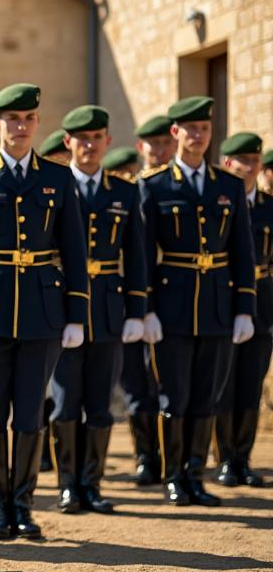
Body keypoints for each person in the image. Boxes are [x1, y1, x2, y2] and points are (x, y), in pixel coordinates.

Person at [0, 83, 88, 541]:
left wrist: (76, 313)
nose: (20, 127)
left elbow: (74, 252)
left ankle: (23, 504)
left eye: (28, 119)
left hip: (42, 309)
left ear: (37, 123)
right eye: (11, 119)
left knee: (31, 413)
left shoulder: (58, 179)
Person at [139, 96, 255, 507]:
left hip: (218, 308)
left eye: (205, 129)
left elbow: (243, 250)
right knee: (175, 397)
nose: (199, 137)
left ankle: (195, 474)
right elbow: (143, 253)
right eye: (191, 130)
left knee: (207, 397)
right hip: (171, 308)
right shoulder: (153, 185)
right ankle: (173, 476)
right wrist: (146, 307)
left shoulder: (227, 185)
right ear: (176, 134)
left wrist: (245, 306)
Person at [47, 106, 147, 515]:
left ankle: (92, 482)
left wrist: (137, 311)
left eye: (97, 138)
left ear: (107, 141)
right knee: (65, 401)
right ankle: (68, 483)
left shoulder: (123, 192)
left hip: (107, 306)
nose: (89, 145)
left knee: (100, 404)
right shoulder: (52, 185)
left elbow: (136, 255)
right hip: (62, 305)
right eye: (80, 138)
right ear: (67, 142)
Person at [120, 114, 175, 485]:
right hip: (128, 299)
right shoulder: (134, 188)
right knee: (136, 384)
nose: (158, 150)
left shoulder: (174, 186)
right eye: (151, 145)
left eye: (163, 143)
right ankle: (145, 456)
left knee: (167, 383)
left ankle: (170, 457)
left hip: (168, 299)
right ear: (141, 148)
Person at [213, 131, 268, 488]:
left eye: (255, 160)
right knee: (225, 384)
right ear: (227, 164)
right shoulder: (220, 201)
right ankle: (224, 459)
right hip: (223, 296)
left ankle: (243, 459)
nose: (249, 167)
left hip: (262, 300)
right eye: (242, 161)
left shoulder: (269, 206)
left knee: (251, 382)